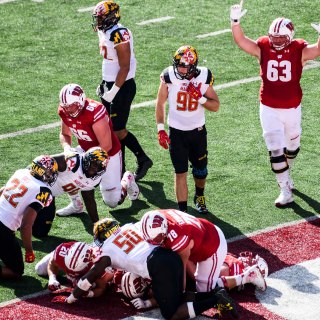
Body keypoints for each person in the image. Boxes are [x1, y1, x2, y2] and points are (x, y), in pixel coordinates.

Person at [52, 217, 238, 319]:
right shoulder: (130, 226)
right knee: (178, 298)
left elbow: (90, 277)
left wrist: (71, 298)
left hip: (159, 266)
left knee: (172, 315)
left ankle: (216, 298)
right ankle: (214, 295)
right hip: (168, 256)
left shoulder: (106, 250)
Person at [230, 2, 320, 207]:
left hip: (292, 108)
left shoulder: (299, 49)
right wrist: (235, 22)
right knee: (275, 148)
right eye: (275, 37)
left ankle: (287, 176)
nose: (277, 41)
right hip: (269, 107)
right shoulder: (263, 47)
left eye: (281, 37)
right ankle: (284, 189)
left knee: (293, 147)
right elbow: (242, 41)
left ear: (289, 36)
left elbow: (316, 51)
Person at [57, 83, 139, 217]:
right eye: (66, 106)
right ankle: (76, 204)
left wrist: (84, 161)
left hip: (108, 153)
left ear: (81, 101)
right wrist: (67, 149)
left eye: (72, 105)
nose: (69, 110)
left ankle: (127, 180)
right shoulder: (64, 110)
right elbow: (65, 134)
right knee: (65, 167)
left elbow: (106, 145)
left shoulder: (94, 111)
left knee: (112, 202)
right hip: (85, 150)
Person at [92, 1, 153, 180]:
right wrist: (104, 83)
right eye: (98, 18)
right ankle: (121, 168)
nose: (98, 21)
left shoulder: (120, 34)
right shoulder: (105, 31)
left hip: (122, 86)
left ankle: (143, 159)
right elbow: (109, 61)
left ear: (112, 16)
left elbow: (125, 67)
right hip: (110, 84)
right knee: (110, 129)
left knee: (118, 130)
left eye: (101, 17)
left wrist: (113, 91)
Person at [155, 45, 220, 214]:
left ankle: (199, 195)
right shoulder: (169, 75)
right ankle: (183, 212)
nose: (180, 69)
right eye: (178, 64)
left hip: (197, 131)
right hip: (176, 132)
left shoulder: (204, 76)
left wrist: (199, 98)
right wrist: (160, 129)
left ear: (193, 66)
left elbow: (215, 106)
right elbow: (160, 102)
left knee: (201, 171)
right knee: (180, 172)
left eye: (184, 65)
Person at [141, 209, 266, 293]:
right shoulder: (157, 216)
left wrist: (177, 296)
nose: (152, 242)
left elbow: (181, 273)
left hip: (212, 246)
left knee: (204, 291)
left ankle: (247, 276)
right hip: (197, 238)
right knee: (192, 278)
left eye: (156, 239)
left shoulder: (178, 237)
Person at [32, 147, 139, 237]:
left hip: (49, 197)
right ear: (86, 160)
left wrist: (97, 224)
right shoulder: (70, 161)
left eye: (99, 167)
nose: (95, 169)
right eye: (93, 164)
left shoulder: (95, 178)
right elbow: (39, 164)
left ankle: (126, 180)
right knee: (20, 221)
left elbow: (89, 199)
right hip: (36, 190)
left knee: (39, 233)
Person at [0, 155, 57, 279]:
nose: (52, 174)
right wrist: (29, 250)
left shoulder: (21, 172)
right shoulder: (43, 190)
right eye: (50, 171)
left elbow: (2, 190)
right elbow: (26, 225)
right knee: (16, 271)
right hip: (3, 229)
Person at [35, 241, 114, 298]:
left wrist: (88, 294)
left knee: (91, 285)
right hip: (69, 252)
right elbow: (51, 263)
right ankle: (53, 254)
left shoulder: (97, 265)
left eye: (75, 270)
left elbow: (101, 288)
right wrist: (52, 278)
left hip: (93, 264)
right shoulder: (62, 253)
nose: (72, 272)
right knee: (39, 269)